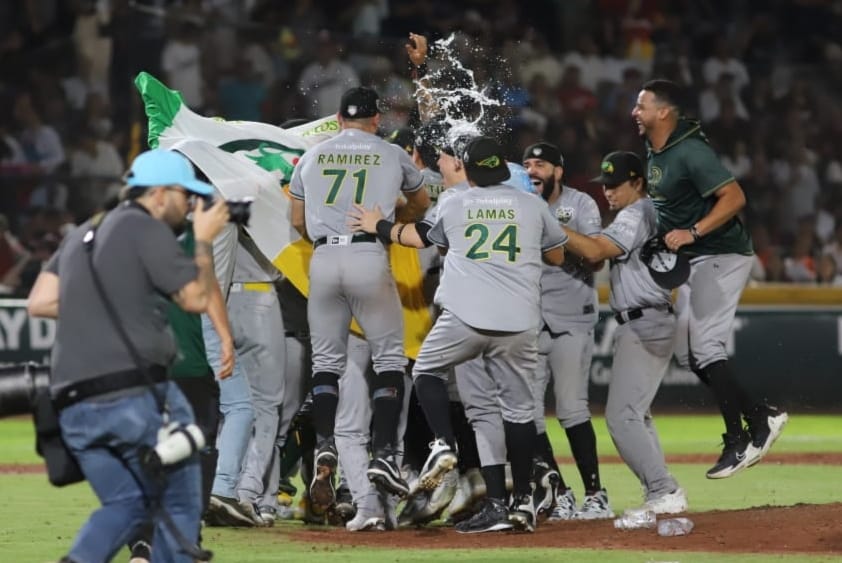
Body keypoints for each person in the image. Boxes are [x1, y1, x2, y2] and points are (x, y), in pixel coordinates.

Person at [351, 137, 567, 533]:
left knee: (427, 371)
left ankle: (444, 447)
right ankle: (520, 504)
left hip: (465, 318)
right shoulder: (532, 204)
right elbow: (557, 254)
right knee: (519, 415)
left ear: (468, 169)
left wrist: (377, 225)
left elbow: (419, 237)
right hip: (520, 323)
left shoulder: (454, 201)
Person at [26, 149, 229, 563]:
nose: (190, 205)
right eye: (184, 194)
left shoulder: (83, 232)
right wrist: (205, 239)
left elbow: (40, 301)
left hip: (72, 406)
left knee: (126, 506)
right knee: (180, 508)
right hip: (133, 398)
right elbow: (196, 297)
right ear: (157, 194)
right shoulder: (144, 226)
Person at [632, 78, 787, 479]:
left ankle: (739, 437)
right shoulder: (656, 151)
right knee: (688, 356)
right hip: (696, 258)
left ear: (663, 112)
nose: (635, 112)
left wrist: (694, 232)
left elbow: (735, 197)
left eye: (641, 105)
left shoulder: (690, 152)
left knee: (705, 346)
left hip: (722, 253)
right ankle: (760, 415)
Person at [289, 86, 430, 512]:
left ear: (337, 118)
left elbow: (296, 219)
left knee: (325, 365)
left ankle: (327, 445)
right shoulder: (390, 153)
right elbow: (420, 204)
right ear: (375, 120)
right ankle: (385, 453)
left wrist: (326, 237)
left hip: (325, 257)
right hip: (370, 252)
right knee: (389, 361)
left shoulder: (312, 156)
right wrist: (393, 215)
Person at [562, 151, 688, 514]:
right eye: (605, 185)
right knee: (638, 414)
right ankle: (661, 492)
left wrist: (550, 224)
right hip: (645, 318)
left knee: (622, 417)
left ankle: (663, 491)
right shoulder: (642, 212)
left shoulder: (638, 212)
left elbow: (598, 249)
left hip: (646, 319)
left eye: (615, 185)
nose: (608, 193)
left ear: (637, 182)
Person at [521, 141, 613, 521]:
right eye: (526, 165)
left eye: (540, 164)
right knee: (526, 414)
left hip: (571, 316)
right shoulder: (516, 203)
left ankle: (596, 493)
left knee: (572, 407)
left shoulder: (581, 204)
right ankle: (558, 491)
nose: (532, 171)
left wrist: (549, 225)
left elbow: (594, 256)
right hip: (527, 319)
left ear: (558, 171)